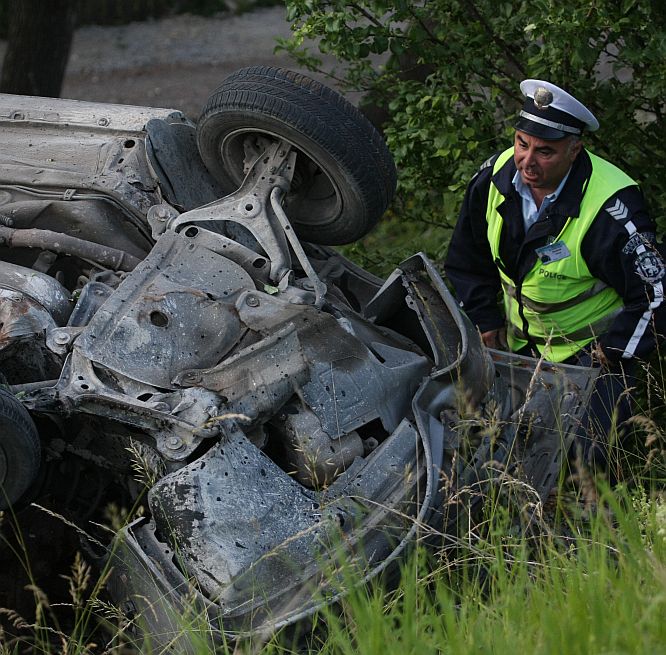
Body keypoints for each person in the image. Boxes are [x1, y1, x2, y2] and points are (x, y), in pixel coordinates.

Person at [444, 79, 666, 469]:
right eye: (521, 143)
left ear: (574, 150)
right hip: (517, 344)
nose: (527, 161)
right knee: (481, 439)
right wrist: (484, 317)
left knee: (580, 458)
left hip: (593, 354)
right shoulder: (496, 177)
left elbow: (656, 292)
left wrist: (612, 355)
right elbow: (467, 256)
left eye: (545, 151)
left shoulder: (611, 208)